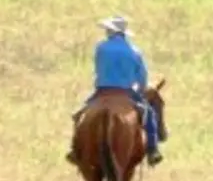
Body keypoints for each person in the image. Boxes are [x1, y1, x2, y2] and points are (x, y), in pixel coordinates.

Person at [68, 15, 163, 167]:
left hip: (102, 91)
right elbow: (142, 77)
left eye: (107, 29)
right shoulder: (134, 51)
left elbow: (98, 69)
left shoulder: (101, 47)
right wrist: (138, 90)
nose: (106, 32)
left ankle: (74, 150)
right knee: (150, 116)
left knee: (79, 115)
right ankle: (153, 150)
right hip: (126, 92)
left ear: (111, 31)